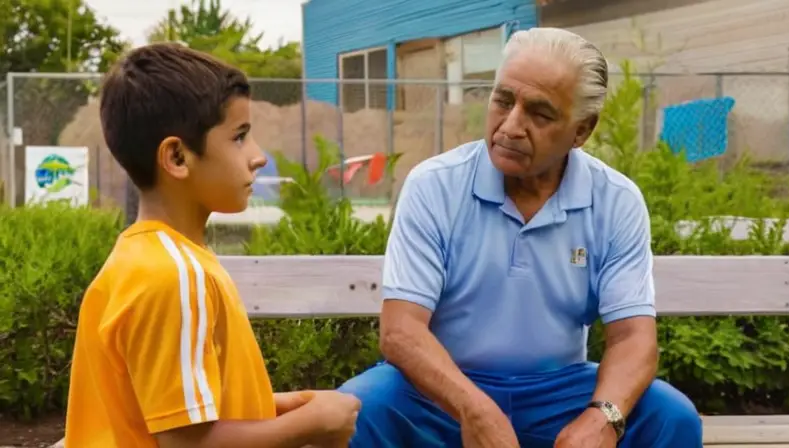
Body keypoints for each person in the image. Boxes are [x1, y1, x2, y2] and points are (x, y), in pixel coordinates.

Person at [338, 27, 703, 448]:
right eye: (503, 100)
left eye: (540, 113)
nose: (511, 126)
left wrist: (603, 419)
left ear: (581, 130)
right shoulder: (433, 186)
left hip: (558, 392)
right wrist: (473, 409)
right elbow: (401, 331)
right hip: (441, 393)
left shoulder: (615, 201)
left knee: (671, 418)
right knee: (357, 410)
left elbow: (633, 337)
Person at [64, 43, 361, 448]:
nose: (258, 157)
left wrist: (272, 406)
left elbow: (160, 409)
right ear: (177, 158)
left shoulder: (146, 259)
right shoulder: (174, 277)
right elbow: (188, 444)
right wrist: (314, 424)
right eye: (239, 137)